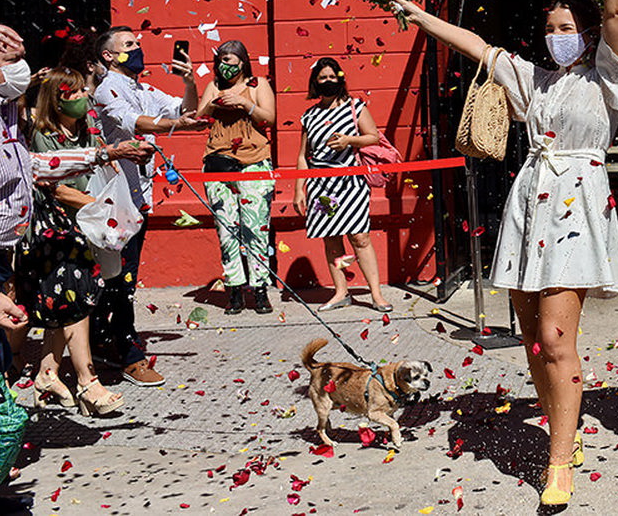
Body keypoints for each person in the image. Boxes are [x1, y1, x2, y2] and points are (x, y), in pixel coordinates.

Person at [393, 0, 618, 506]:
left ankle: (560, 460)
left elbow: (616, 13)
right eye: (550, 28)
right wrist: (417, 15)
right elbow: (477, 45)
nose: (556, 37)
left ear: (586, 35)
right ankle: (564, 423)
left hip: (577, 205)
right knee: (534, 337)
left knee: (559, 338)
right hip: (529, 203)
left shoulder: (609, 73)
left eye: (567, 29)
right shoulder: (535, 78)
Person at [0, 24, 152, 512]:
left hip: (0, 256)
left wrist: (108, 152)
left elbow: (33, 167)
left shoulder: (3, 115)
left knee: (0, 357)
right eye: (3, 58)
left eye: (20, 58)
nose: (17, 68)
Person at [90, 26, 207, 386]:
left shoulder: (141, 88)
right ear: (109, 56)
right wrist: (177, 126)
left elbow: (181, 108)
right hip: (114, 199)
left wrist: (189, 83)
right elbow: (136, 122)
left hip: (138, 197)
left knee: (121, 277)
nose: (137, 49)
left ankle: (98, 339)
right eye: (128, 45)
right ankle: (128, 353)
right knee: (120, 278)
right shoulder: (107, 88)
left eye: (137, 43)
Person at [19, 66, 124, 416]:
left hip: (82, 226)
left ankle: (48, 373)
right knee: (74, 300)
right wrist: (105, 207)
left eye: (83, 91)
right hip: (54, 230)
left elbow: (103, 171)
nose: (82, 97)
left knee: (68, 302)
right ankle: (87, 383)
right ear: (56, 100)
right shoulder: (42, 135)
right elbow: (58, 188)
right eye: (73, 93)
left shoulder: (88, 132)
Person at [292, 57, 393, 313]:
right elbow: (304, 155)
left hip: (351, 182)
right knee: (331, 239)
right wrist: (298, 190)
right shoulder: (309, 115)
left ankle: (376, 294)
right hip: (321, 186)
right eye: (322, 78)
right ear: (315, 82)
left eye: (332, 77)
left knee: (360, 237)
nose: (328, 82)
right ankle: (340, 292)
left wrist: (349, 140)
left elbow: (372, 137)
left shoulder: (355, 107)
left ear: (340, 78)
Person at [195, 40, 276, 314]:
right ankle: (234, 289)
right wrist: (214, 102)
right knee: (226, 229)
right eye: (221, 60)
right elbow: (199, 115)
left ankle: (260, 288)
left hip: (254, 161)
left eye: (230, 60)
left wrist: (243, 102)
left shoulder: (258, 84)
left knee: (255, 228)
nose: (224, 66)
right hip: (218, 161)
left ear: (243, 62)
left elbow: (270, 117)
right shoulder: (215, 85)